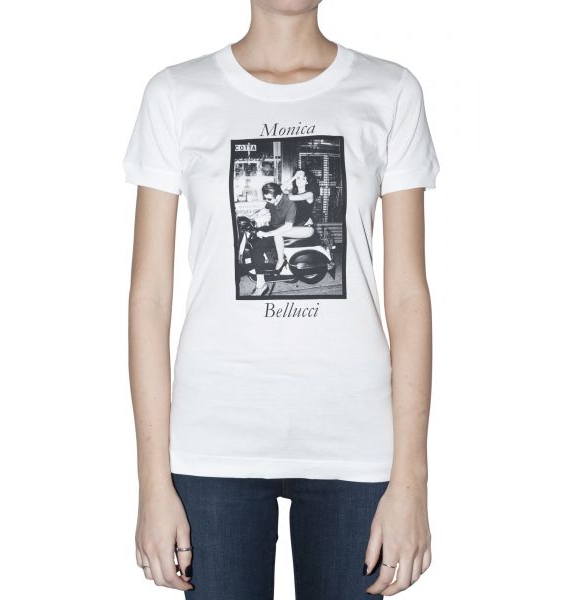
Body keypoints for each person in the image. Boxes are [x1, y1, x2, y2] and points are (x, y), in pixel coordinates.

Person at [122, 1, 440, 598]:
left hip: (356, 443)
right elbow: (150, 298)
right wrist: (151, 483)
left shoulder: (391, 90)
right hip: (214, 444)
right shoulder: (176, 94)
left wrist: (412, 482)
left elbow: (407, 296)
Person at [250, 182, 297, 295]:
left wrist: (267, 234)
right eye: (265, 198)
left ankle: (261, 285)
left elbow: (288, 226)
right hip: (274, 227)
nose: (267, 201)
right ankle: (259, 264)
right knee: (252, 238)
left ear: (278, 195)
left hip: (282, 232)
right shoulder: (272, 199)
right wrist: (253, 216)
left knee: (257, 248)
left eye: (269, 199)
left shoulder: (290, 203)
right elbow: (265, 209)